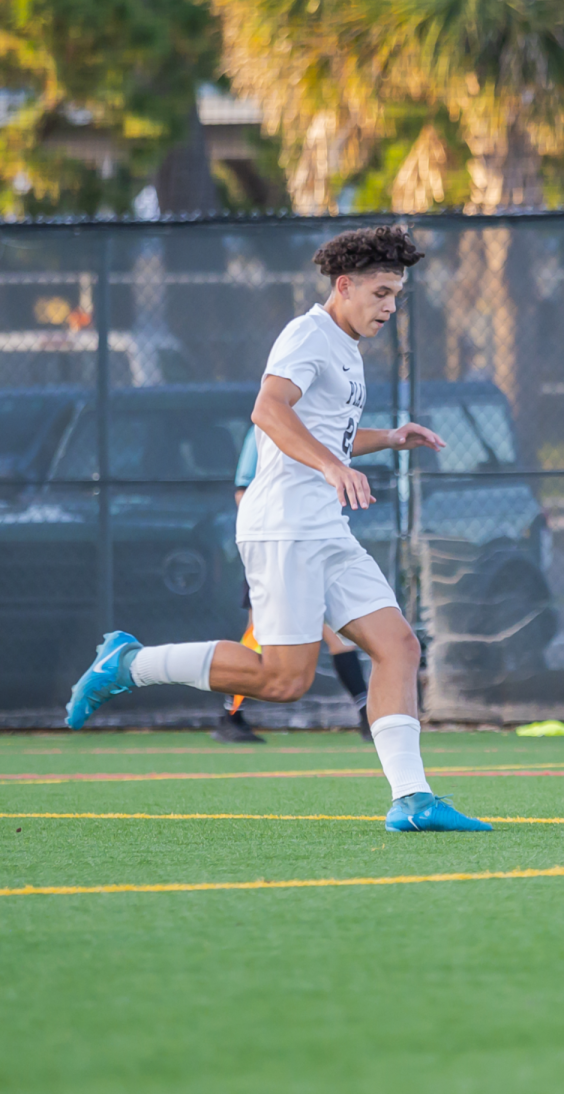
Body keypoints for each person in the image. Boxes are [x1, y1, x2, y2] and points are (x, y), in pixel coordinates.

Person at [67, 225, 491, 833]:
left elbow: (329, 434)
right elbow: (268, 410)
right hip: (284, 528)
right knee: (283, 680)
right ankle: (129, 664)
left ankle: (412, 800)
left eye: (396, 294)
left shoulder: (345, 347)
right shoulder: (307, 333)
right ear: (343, 286)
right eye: (380, 293)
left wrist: (389, 438)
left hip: (325, 529)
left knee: (398, 646)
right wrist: (332, 465)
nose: (390, 306)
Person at [214, 426, 373, 745]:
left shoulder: (324, 425)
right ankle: (228, 715)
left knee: (341, 630)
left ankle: (367, 713)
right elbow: (243, 491)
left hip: (313, 548)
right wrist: (276, 539)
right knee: (257, 636)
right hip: (274, 549)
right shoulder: (266, 426)